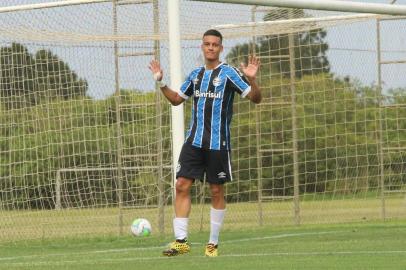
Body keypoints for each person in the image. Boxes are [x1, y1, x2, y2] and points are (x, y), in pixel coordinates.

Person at [148, 29, 261, 257]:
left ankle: (212, 243)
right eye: (207, 44)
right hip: (194, 142)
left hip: (218, 143)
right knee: (181, 185)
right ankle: (181, 241)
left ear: (221, 48)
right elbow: (177, 100)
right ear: (202, 46)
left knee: (216, 190)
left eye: (215, 45)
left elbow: (256, 99)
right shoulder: (196, 75)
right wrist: (161, 82)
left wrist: (252, 80)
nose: (210, 47)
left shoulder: (229, 73)